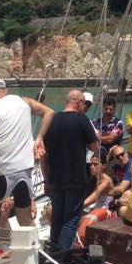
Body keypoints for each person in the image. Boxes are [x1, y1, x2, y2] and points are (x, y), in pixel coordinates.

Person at [0, 78, 54, 262]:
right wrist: (39, 138)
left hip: (1, 172)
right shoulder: (24, 102)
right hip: (24, 170)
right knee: (23, 213)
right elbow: (49, 112)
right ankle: (34, 253)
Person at [42, 88, 98, 251]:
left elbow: (43, 154)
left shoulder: (51, 120)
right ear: (78, 103)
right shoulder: (82, 120)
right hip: (75, 178)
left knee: (57, 217)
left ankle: (53, 252)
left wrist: (46, 179)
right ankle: (61, 256)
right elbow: (94, 146)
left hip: (55, 178)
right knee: (71, 220)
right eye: (83, 104)